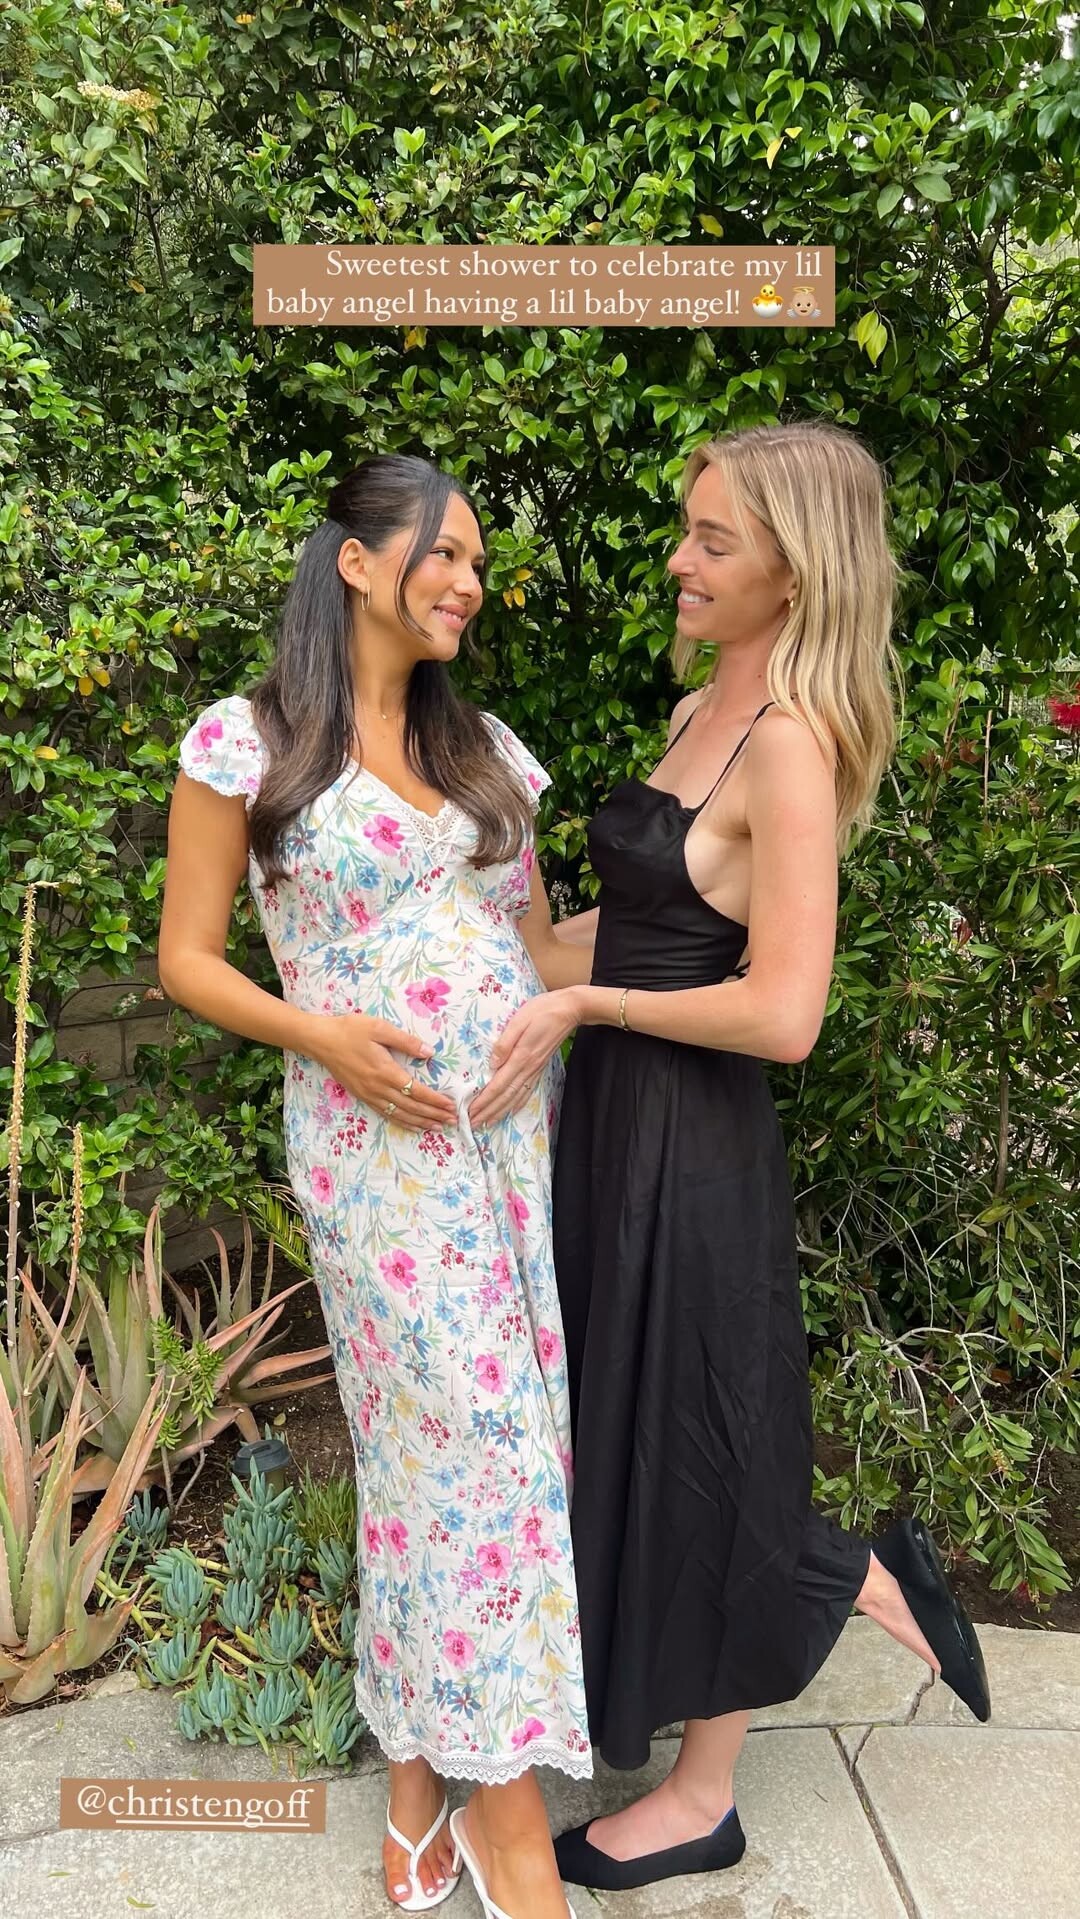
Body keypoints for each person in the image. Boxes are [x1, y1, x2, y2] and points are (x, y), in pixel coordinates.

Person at [465, 420, 992, 1894]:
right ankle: (852, 1573)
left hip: (694, 1148)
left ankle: (706, 1795)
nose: (680, 561)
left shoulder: (790, 748)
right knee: (630, 1416)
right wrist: (486, 908)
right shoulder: (704, 706)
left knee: (703, 1435)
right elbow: (633, 926)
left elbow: (785, 1011)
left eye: (715, 541)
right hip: (614, 1128)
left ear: (794, 572)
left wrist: (585, 1006)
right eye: (687, 530)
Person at [159, 453, 591, 1919]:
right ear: (356, 560)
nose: (467, 582)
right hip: (377, 1158)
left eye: (477, 562)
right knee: (474, 1454)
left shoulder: (487, 754)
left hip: (512, 1146)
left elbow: (540, 952)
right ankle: (510, 1827)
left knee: (455, 1467)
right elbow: (187, 959)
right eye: (443, 553)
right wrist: (325, 1035)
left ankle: (417, 1794)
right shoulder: (248, 744)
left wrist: (708, 909)